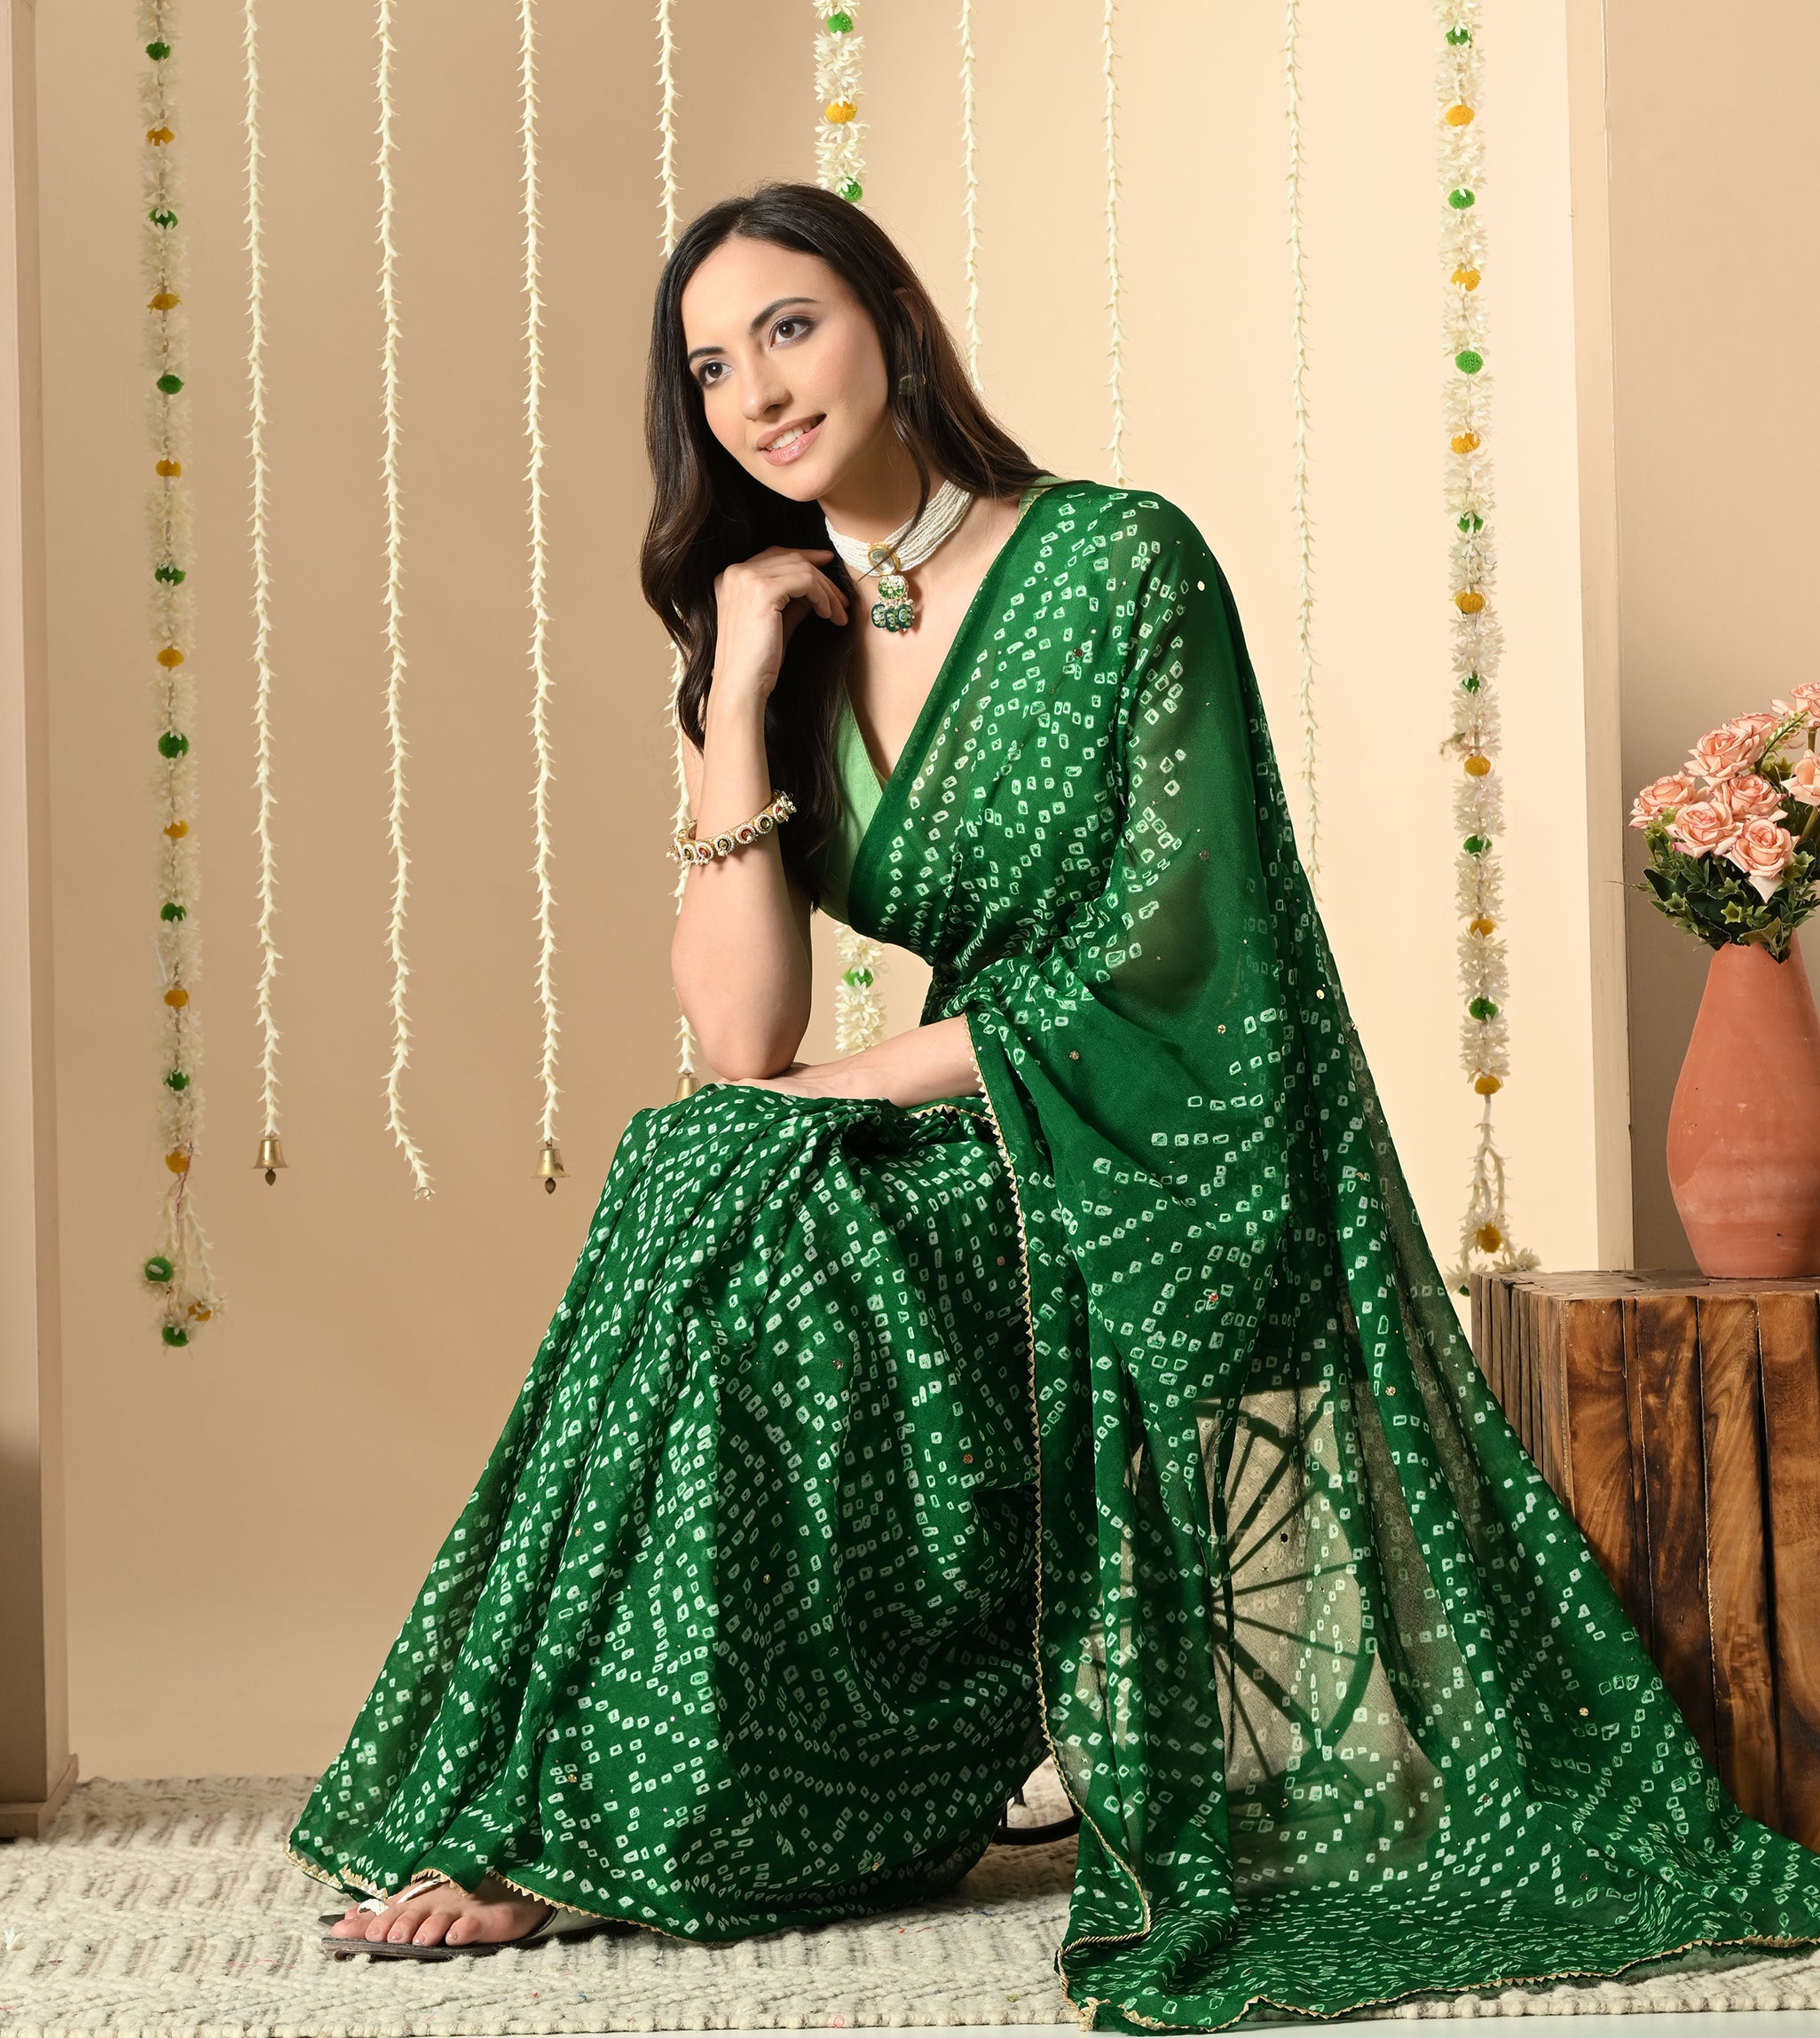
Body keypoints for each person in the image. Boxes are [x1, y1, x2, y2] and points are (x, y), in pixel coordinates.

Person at [295, 183, 1820, 2026]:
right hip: (993, 1118)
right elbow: (741, 1033)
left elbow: (1178, 957)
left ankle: (592, 1811)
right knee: (702, 1156)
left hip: (1171, 1125)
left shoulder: (1116, 564)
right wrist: (741, 690)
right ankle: (710, 1793)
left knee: (722, 1174)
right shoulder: (780, 635)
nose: (757, 391)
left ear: (889, 322)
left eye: (791, 327)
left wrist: (853, 1083)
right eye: (711, 368)